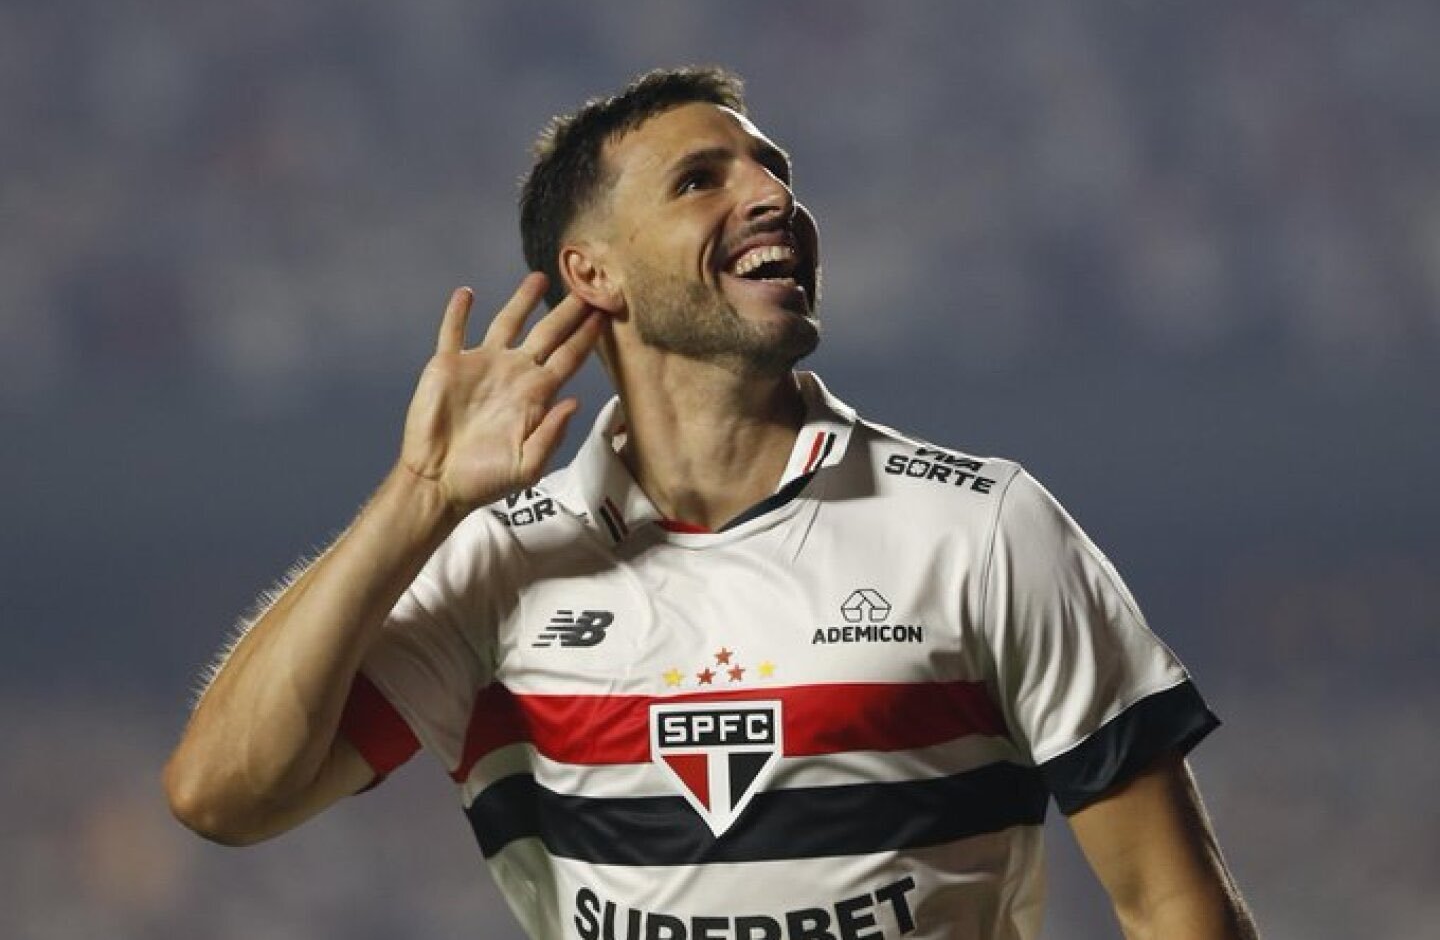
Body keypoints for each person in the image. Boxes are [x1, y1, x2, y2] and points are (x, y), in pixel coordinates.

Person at [164, 67, 1258, 940]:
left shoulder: (982, 529)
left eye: (773, 170)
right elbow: (222, 796)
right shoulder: (497, 568)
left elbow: (1175, 907)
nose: (772, 196)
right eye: (700, 180)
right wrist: (419, 500)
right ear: (594, 274)